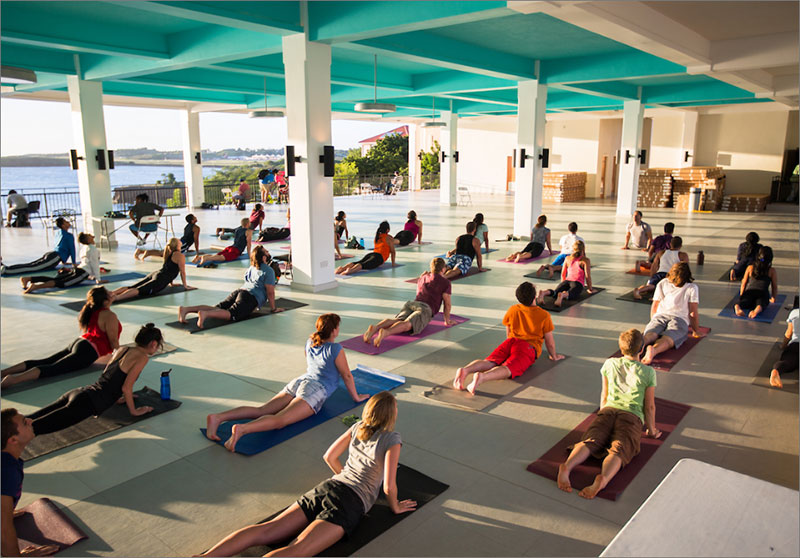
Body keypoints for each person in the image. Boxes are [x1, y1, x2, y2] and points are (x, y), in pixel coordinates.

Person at [200, 391, 412, 557]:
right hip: (349, 504)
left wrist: (343, 479)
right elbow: (388, 486)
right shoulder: (392, 438)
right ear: (391, 415)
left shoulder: (358, 426)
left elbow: (330, 457)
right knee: (296, 550)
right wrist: (395, 506)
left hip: (328, 487)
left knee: (265, 530)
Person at [205, 313, 368, 452]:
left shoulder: (310, 341)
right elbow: (346, 375)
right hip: (315, 389)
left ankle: (218, 418)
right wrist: (356, 397)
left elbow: (310, 360)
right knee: (281, 420)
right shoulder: (335, 348)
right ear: (334, 330)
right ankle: (242, 429)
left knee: (261, 410)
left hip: (301, 380)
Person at [556, 328, 660, 499]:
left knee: (591, 440)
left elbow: (604, 394)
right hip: (631, 417)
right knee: (619, 449)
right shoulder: (648, 372)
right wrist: (652, 430)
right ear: (641, 349)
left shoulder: (610, 363)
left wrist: (602, 414)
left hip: (608, 411)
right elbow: (649, 407)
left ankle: (567, 466)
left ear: (621, 349)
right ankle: (603, 479)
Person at [24, 324, 162, 436]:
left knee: (27, 419)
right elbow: (126, 387)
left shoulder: (123, 349)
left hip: (82, 393)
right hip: (89, 403)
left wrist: (117, 397)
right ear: (153, 344)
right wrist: (134, 411)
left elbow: (109, 374)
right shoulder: (142, 357)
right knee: (30, 430)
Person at [454, 282, 564, 394]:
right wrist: (554, 356)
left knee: (490, 361)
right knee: (509, 368)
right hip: (527, 348)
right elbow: (549, 342)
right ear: (534, 296)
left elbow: (509, 330)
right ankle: (482, 377)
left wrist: (509, 348)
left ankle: (465, 370)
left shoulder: (513, 309)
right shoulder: (544, 315)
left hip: (510, 342)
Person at [1, 286, 121, 389]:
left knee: (46, 361)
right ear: (104, 301)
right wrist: (120, 357)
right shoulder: (110, 316)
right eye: (109, 293)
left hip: (80, 342)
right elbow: (113, 341)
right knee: (53, 368)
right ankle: (13, 380)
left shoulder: (93, 310)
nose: (112, 293)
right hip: (88, 351)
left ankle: (4, 372)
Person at [2, 409, 60, 557]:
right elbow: (3, 527)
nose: (30, 421)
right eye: (24, 422)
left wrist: (6, 510)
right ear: (13, 440)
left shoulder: (8, 461)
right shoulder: (6, 472)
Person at [179, 246, 281, 328]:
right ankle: (205, 314)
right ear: (263, 257)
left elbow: (247, 281)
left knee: (217, 308)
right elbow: (270, 293)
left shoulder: (251, 267)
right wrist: (273, 309)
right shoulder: (268, 270)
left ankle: (186, 309)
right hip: (249, 297)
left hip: (239, 291)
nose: (268, 253)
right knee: (232, 314)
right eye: (266, 252)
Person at [363, 257, 454, 347]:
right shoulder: (445, 283)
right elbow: (447, 303)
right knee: (408, 324)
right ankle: (386, 332)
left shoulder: (423, 277)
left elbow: (419, 290)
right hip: (425, 309)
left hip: (412, 304)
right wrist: (447, 321)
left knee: (398, 320)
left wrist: (422, 277)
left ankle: (376, 327)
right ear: (443, 269)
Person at [641, 262, 701, 365]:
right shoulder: (692, 287)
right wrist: (696, 331)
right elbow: (693, 313)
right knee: (669, 339)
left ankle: (639, 346)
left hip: (660, 315)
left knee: (650, 334)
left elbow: (655, 305)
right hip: (679, 319)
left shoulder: (663, 282)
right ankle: (654, 350)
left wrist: (653, 321)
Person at [111, 238, 195, 303]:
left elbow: (170, 268)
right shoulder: (179, 255)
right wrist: (185, 286)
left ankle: (111, 293)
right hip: (160, 280)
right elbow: (182, 272)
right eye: (179, 241)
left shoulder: (168, 252)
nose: (180, 241)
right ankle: (116, 298)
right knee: (138, 291)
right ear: (177, 245)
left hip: (157, 274)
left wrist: (171, 283)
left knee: (132, 287)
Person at [19, 232, 104, 294]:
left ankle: (29, 278)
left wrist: (91, 276)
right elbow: (94, 264)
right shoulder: (93, 249)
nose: (92, 236)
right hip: (82, 272)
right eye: (89, 236)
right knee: (61, 283)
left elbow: (86, 262)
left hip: (78, 269)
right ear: (88, 240)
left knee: (55, 279)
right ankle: (35, 287)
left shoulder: (84, 248)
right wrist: (98, 279)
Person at [0, 218, 78, 276]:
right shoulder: (69, 236)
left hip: (51, 254)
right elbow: (72, 249)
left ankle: (5, 267)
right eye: (66, 222)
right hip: (55, 257)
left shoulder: (59, 233)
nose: (68, 222)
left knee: (30, 265)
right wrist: (74, 263)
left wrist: (63, 260)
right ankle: (6, 270)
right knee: (32, 268)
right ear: (63, 225)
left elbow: (59, 246)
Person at [537, 240, 594, 307]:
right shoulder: (585, 260)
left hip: (566, 281)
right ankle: (563, 295)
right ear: (583, 249)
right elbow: (588, 276)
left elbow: (563, 273)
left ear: (573, 248)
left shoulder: (567, 258)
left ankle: (544, 292)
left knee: (556, 292)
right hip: (577, 283)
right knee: (572, 294)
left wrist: (563, 284)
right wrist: (590, 289)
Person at [734, 246, 778, 319]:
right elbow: (774, 286)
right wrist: (773, 297)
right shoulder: (772, 270)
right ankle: (756, 311)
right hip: (762, 293)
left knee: (745, 301)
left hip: (749, 291)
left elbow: (744, 283)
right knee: (761, 303)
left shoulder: (750, 267)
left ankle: (738, 306)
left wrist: (742, 295)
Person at [770, 307, 798, 389]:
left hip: (795, 345)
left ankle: (777, 370)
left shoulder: (795, 312)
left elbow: (789, 333)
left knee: (787, 362)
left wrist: (783, 346)